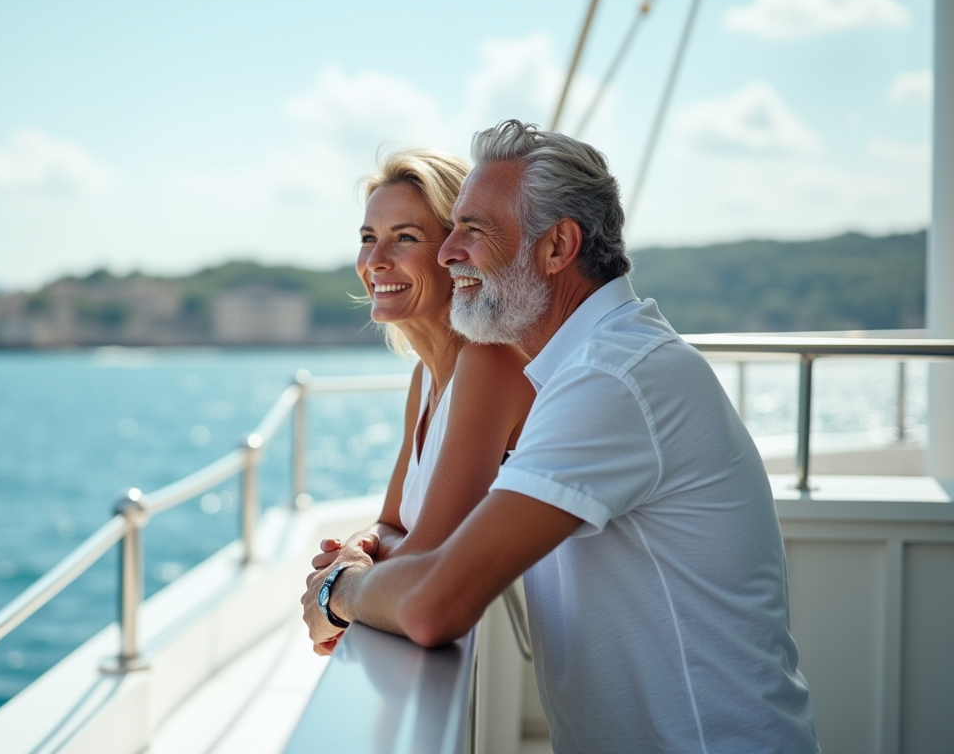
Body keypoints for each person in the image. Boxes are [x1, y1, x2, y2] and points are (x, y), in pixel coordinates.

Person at [302, 121, 819, 753]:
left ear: (557, 247)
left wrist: (339, 590)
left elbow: (437, 604)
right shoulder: (583, 369)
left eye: (473, 230)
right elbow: (416, 544)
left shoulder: (613, 380)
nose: (447, 252)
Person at [309, 148, 535, 654]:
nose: (375, 261)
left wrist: (339, 586)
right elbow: (391, 523)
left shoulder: (489, 362)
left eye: (404, 238)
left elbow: (423, 559)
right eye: (368, 238)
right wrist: (358, 550)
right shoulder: (426, 375)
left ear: (456, 250)